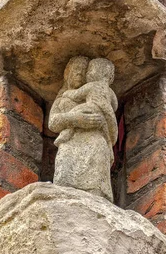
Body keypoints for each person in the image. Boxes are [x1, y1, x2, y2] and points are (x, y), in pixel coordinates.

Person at [49, 56, 118, 201]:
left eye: (84, 71)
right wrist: (76, 119)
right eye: (76, 70)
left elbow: (110, 111)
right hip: (70, 143)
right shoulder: (63, 98)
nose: (80, 74)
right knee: (64, 184)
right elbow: (53, 123)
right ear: (67, 73)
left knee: (95, 186)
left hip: (95, 141)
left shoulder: (95, 89)